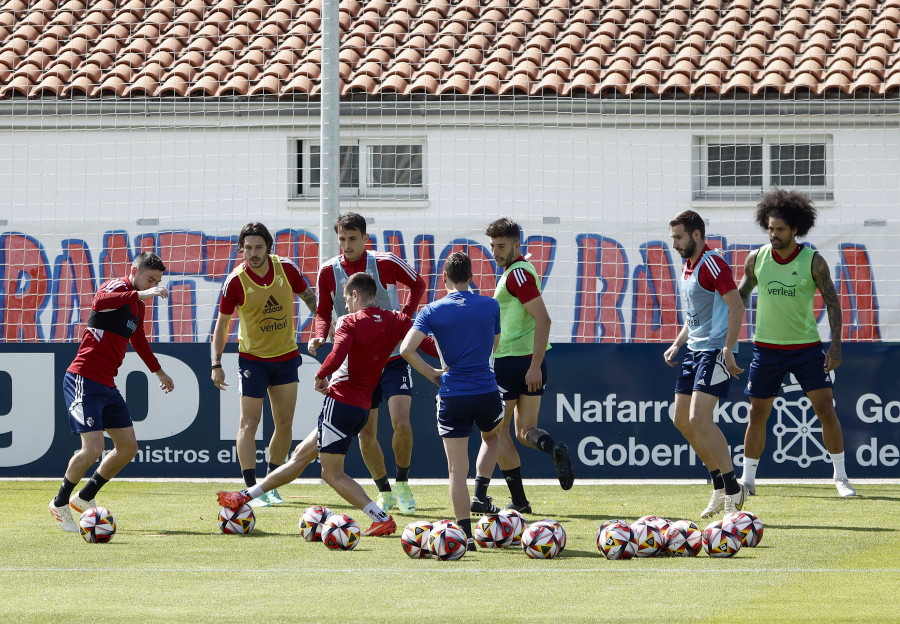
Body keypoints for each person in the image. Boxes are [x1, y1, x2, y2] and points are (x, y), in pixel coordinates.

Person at [219, 272, 428, 536]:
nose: (346, 304)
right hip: (362, 407)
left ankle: (381, 517)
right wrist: (447, 364)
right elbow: (426, 343)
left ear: (355, 295)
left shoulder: (350, 321)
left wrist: (320, 376)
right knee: (300, 457)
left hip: (340, 402)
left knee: (332, 474)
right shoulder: (396, 319)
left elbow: (337, 354)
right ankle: (245, 495)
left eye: (346, 299)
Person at [737, 189, 857, 497]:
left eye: (779, 229)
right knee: (757, 413)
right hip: (765, 348)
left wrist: (836, 345)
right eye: (770, 228)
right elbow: (739, 297)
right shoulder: (756, 259)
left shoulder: (814, 262)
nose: (773, 234)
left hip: (805, 349)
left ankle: (841, 478)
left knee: (825, 409)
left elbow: (833, 304)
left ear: (795, 230)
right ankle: (748, 480)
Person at [308, 212, 427, 515]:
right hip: (358, 365)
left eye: (352, 239)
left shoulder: (384, 262)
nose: (347, 245)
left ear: (364, 239)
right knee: (366, 433)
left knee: (401, 423)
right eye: (342, 239)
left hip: (394, 357)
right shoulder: (328, 271)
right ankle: (384, 489)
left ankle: (402, 482)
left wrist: (408, 322)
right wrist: (321, 335)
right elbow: (322, 311)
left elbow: (418, 284)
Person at [49, 252, 175, 532]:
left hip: (107, 383)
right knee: (93, 448)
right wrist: (139, 295)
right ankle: (59, 503)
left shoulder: (137, 306)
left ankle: (84, 497)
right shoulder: (117, 287)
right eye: (149, 279)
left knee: (128, 448)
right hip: (83, 377)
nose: (153, 286)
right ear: (134, 271)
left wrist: (159, 372)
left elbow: (139, 340)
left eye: (157, 282)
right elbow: (99, 302)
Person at [400, 252, 504, 551]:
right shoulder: (490, 304)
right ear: (472, 278)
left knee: (456, 470)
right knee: (493, 436)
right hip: (485, 390)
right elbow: (493, 345)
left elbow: (407, 349)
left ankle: (465, 537)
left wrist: (432, 373)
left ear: (443, 278)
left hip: (452, 393)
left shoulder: (432, 310)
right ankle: (481, 492)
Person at [210, 222, 317, 507]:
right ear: (241, 249)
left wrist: (327, 326)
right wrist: (216, 363)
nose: (253, 253)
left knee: (284, 424)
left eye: (258, 247)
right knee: (249, 423)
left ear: (268, 247)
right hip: (253, 361)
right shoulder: (235, 280)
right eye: (248, 248)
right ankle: (250, 488)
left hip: (286, 357)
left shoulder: (287, 269)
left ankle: (271, 484)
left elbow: (311, 300)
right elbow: (222, 326)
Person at [475, 217, 574, 515]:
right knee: (525, 431)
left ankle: (518, 500)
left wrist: (534, 365)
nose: (495, 252)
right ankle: (553, 447)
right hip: (530, 363)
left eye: (501, 246)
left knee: (496, 433)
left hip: (512, 362)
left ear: (517, 245)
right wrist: (536, 365)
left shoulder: (517, 276)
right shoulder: (521, 271)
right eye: (492, 246)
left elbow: (543, 319)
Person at [663, 211, 748, 518]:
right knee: (681, 420)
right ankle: (719, 485)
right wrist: (677, 342)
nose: (674, 243)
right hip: (695, 350)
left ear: (697, 235)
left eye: (679, 237)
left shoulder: (713, 263)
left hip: (714, 350)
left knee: (699, 419)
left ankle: (733, 487)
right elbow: (694, 317)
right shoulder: (687, 267)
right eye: (672, 237)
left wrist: (728, 348)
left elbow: (736, 305)